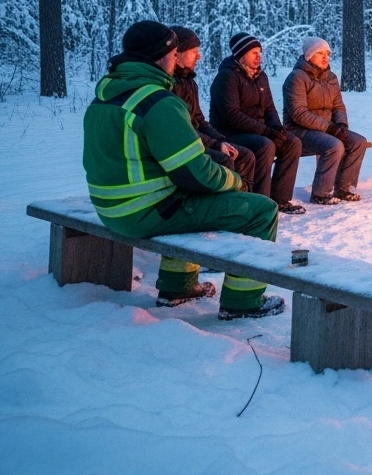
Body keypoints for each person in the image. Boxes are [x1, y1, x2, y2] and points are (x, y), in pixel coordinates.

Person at [83, 21, 284, 320]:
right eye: (176, 52)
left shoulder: (106, 96)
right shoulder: (158, 102)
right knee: (262, 210)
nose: (180, 58)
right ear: (161, 56)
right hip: (143, 213)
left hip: (111, 209)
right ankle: (243, 301)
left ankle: (177, 287)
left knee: (191, 198)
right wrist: (235, 181)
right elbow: (196, 173)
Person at [210, 33, 305, 215]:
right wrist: (266, 132)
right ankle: (260, 202)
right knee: (265, 145)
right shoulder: (227, 77)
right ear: (241, 54)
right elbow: (231, 115)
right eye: (254, 52)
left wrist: (277, 129)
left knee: (292, 142)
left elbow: (269, 108)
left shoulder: (261, 77)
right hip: (229, 133)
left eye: (259, 52)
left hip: (259, 130)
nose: (259, 56)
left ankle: (280, 199)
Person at [168, 26, 256, 190]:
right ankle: (228, 206)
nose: (199, 56)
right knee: (225, 159)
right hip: (186, 145)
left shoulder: (189, 82)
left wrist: (221, 140)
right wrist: (216, 145)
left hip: (200, 139)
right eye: (193, 51)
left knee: (245, 155)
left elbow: (199, 120)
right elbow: (182, 130)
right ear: (177, 54)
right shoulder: (169, 86)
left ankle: (247, 203)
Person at [283, 37, 369, 204]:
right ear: (309, 56)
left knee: (359, 142)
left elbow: (338, 106)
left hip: (328, 128)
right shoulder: (296, 78)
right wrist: (330, 129)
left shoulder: (331, 78)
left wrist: (342, 125)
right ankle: (320, 193)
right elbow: (299, 114)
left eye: (327, 54)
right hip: (299, 131)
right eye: (319, 53)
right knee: (334, 145)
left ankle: (344, 188)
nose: (325, 57)